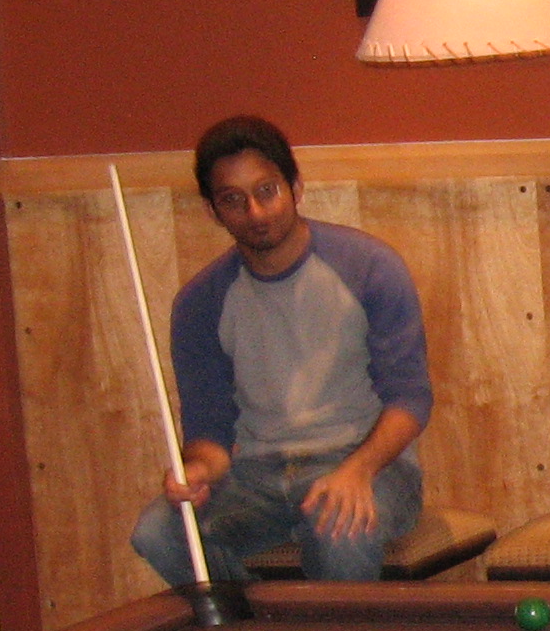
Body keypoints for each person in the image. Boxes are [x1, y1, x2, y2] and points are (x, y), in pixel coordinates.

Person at [131, 116, 433, 587]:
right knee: (157, 534)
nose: (255, 212)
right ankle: (253, 628)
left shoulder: (370, 267)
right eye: (233, 200)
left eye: (266, 191)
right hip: (254, 475)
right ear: (213, 211)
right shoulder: (199, 302)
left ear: (295, 187)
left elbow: (410, 399)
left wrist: (357, 471)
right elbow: (209, 430)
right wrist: (197, 471)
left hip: (366, 461)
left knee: (341, 530)